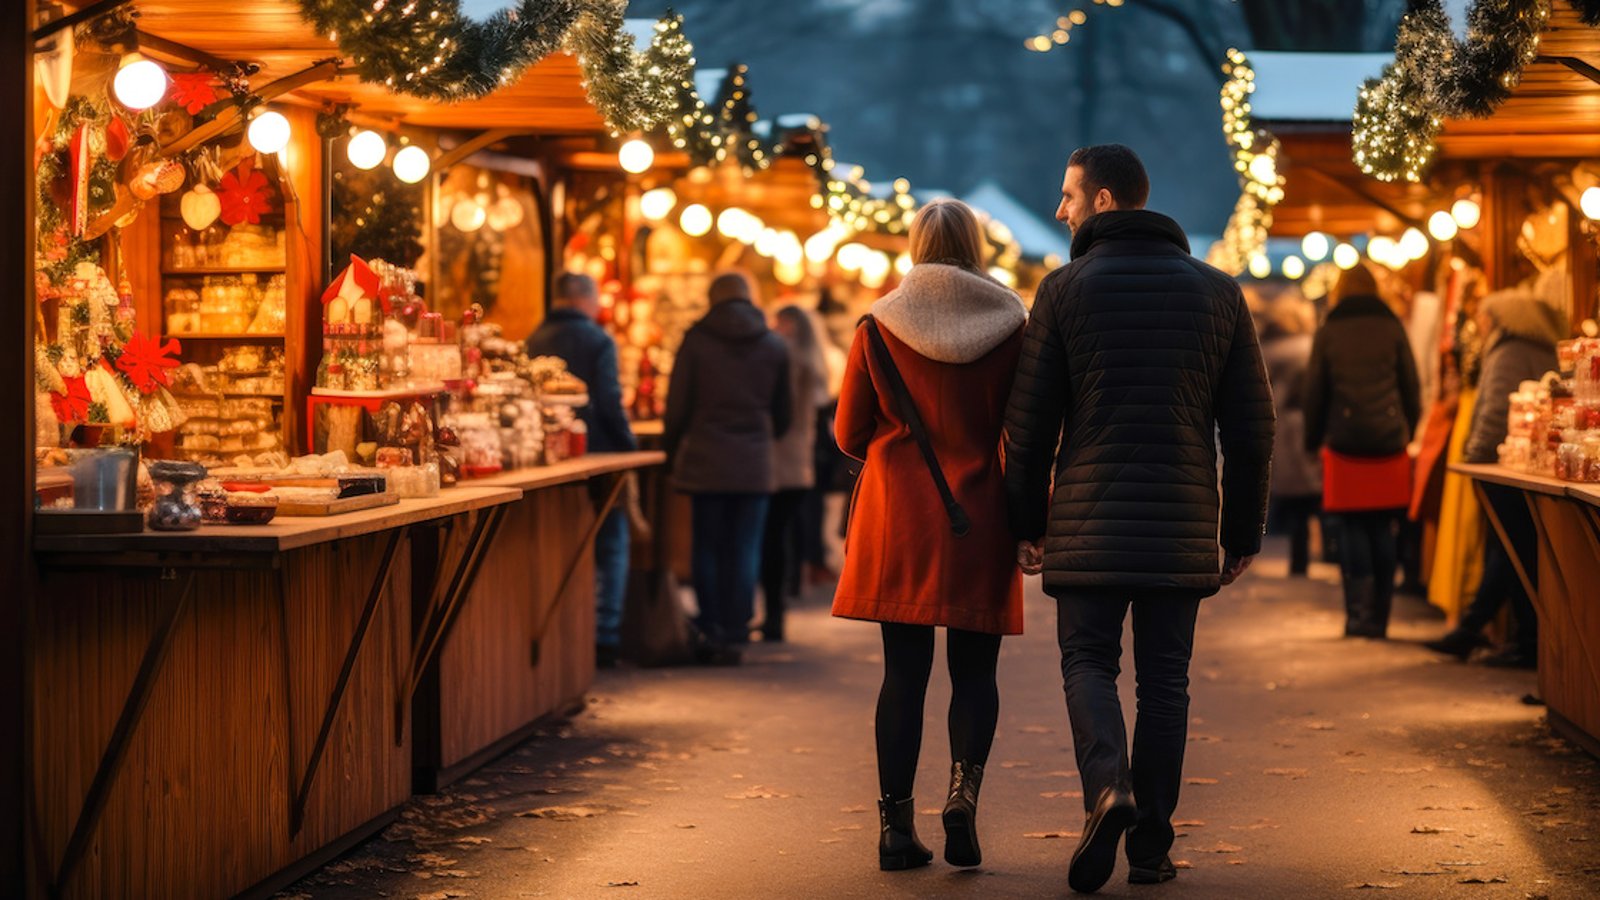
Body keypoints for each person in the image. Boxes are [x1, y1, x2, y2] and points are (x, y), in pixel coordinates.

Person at [1004, 144, 1275, 893]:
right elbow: (1252, 430)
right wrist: (1240, 533)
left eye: (1068, 195)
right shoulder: (1219, 293)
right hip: (1181, 522)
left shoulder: (1062, 292)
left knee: (1088, 662)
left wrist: (1027, 522)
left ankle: (1106, 789)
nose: (1059, 209)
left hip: (1087, 521)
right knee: (1165, 682)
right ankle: (1151, 847)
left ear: (1106, 201)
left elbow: (1030, 430)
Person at [832, 198, 1027, 873]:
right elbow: (1025, 433)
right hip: (980, 515)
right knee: (975, 671)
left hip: (900, 518)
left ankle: (893, 828)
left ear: (914, 243)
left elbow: (848, 433)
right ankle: (962, 796)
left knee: (902, 674)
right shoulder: (1013, 326)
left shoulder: (878, 326)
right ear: (978, 246)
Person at [1424, 288, 1562, 667]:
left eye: (1485, 318)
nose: (1481, 325)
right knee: (1513, 551)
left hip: (1500, 464)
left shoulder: (1507, 350)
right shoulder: (1542, 346)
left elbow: (1495, 407)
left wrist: (1476, 452)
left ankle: (1507, 638)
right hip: (1525, 464)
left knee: (1511, 551)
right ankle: (1488, 632)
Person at [664, 271, 792, 666]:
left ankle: (713, 626)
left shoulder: (696, 341)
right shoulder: (774, 344)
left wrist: (673, 450)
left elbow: (678, 405)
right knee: (744, 547)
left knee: (707, 546)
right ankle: (737, 629)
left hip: (705, 457)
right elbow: (784, 413)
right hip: (754, 462)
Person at [526, 273, 638, 669]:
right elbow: (610, 400)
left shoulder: (534, 338)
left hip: (546, 457)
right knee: (611, 542)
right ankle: (605, 635)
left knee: (564, 542)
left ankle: (569, 633)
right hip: (599, 454)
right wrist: (629, 445)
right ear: (587, 301)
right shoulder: (598, 339)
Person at [1305, 262, 1422, 639]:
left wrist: (1312, 439)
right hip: (1389, 442)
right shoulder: (1392, 326)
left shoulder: (1330, 330)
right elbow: (1411, 385)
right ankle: (1381, 617)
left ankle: (1357, 615)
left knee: (1352, 527)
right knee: (1384, 528)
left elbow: (1315, 392)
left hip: (1344, 442)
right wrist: (1408, 429)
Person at [760, 305, 823, 642]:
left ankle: (773, 614)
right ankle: (788, 595)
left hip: (777, 457)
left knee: (771, 538)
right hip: (800, 458)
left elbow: (779, 414)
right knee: (788, 530)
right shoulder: (812, 362)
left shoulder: (785, 358)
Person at [1261, 302, 1322, 576]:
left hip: (1282, 426)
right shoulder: (1312, 347)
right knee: (1312, 491)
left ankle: (1297, 556)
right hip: (1309, 423)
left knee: (1293, 496)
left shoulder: (1269, 352)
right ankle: (1316, 551)